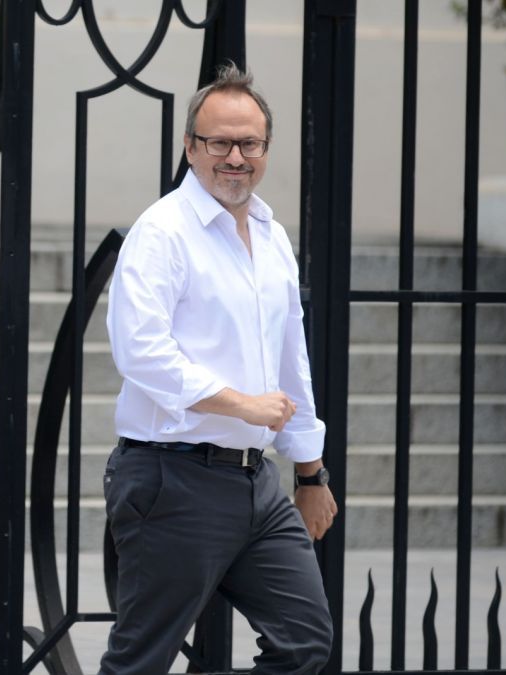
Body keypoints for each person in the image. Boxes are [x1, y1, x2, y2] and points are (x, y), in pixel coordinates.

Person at [100, 62, 337, 674]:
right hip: (172, 479)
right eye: (219, 143)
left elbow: (291, 359)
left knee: (304, 642)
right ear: (190, 147)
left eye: (249, 143)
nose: (236, 157)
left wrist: (310, 473)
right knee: (140, 661)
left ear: (266, 149)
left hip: (256, 485)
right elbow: (140, 351)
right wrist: (241, 404)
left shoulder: (270, 235)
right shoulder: (162, 233)